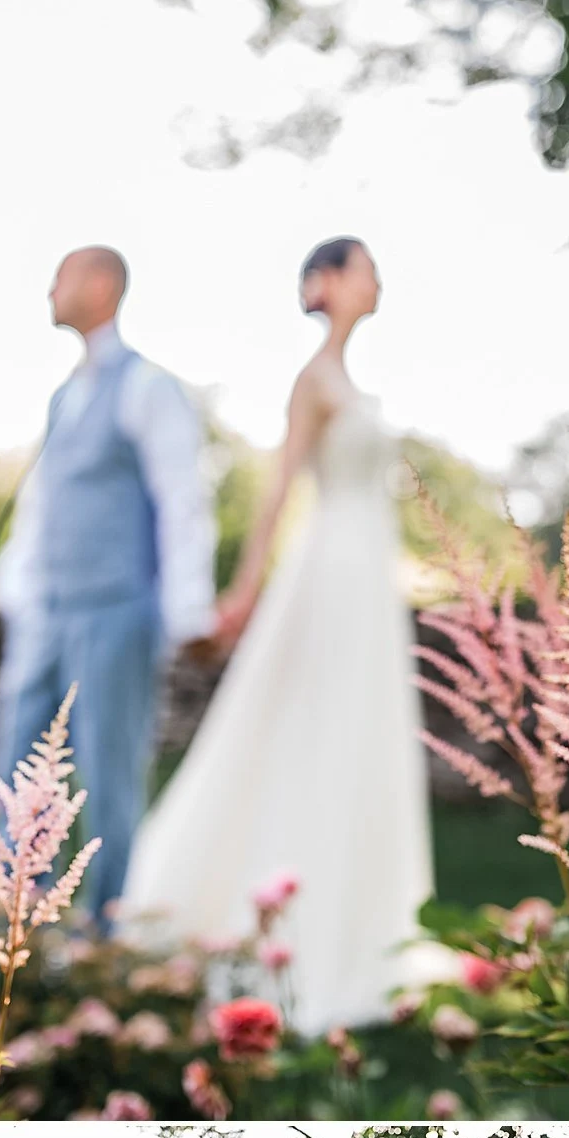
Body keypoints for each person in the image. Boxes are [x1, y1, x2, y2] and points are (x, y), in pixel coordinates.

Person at [119, 237, 450, 1034]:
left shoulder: (353, 382)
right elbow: (278, 485)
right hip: (329, 570)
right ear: (327, 281)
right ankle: (277, 928)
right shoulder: (313, 382)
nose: (377, 281)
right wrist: (244, 585)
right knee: (313, 732)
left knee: (362, 737)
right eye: (366, 267)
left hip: (370, 575)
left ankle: (364, 934)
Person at [0, 246, 217, 922]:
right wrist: (19, 590)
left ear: (101, 285)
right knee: (17, 766)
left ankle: (105, 927)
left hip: (119, 608)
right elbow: (42, 503)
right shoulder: (63, 396)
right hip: (47, 610)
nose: (49, 288)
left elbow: (182, 500)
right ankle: (19, 921)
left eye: (60, 275)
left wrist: (188, 610)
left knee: (109, 771)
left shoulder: (148, 387)